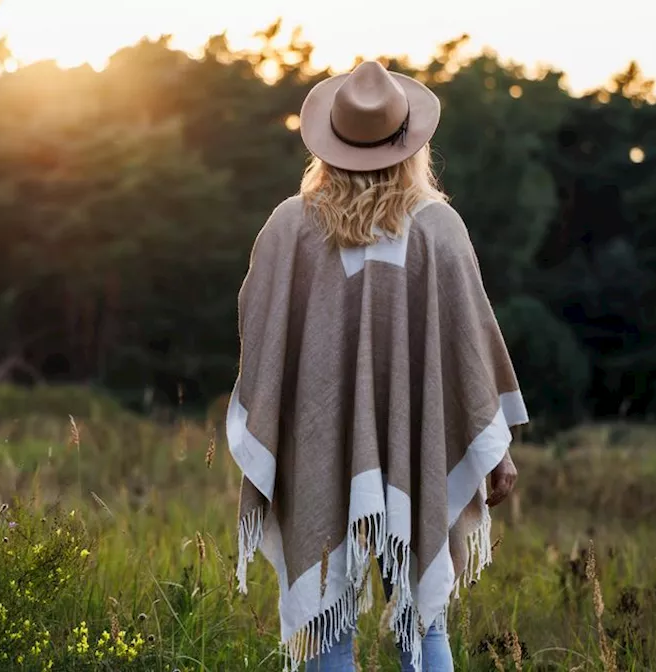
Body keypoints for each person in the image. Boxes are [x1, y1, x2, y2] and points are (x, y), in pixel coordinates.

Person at [225, 60, 528, 672]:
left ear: (328, 147)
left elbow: (258, 328)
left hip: (319, 441)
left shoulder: (291, 227)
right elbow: (472, 345)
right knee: (421, 618)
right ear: (410, 144)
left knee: (326, 620)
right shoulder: (437, 229)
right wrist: (495, 448)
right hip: (418, 442)